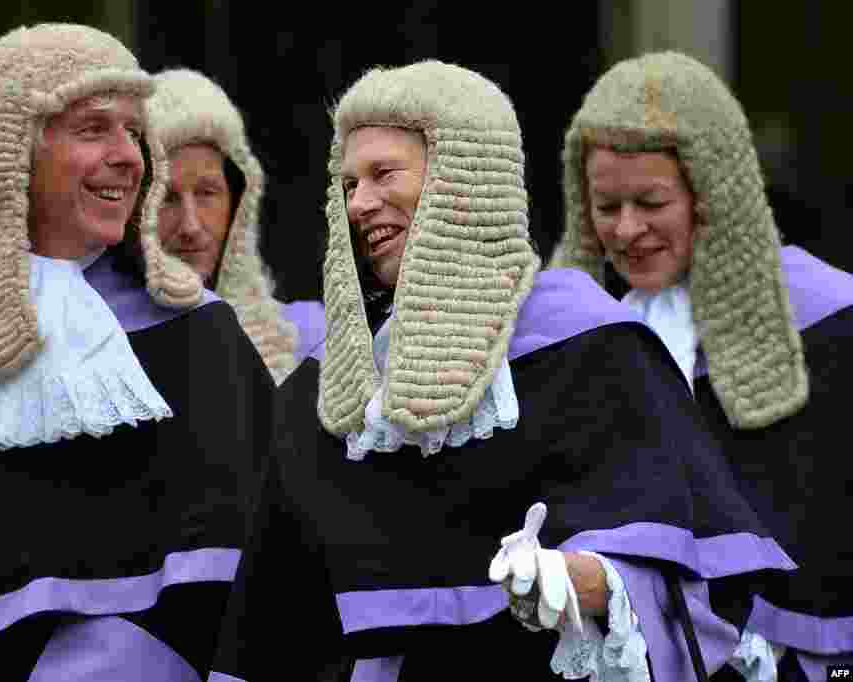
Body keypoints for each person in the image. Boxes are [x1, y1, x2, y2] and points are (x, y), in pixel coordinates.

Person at [208, 60, 795, 682]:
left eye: (383, 174)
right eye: (349, 183)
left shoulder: (594, 346)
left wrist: (580, 582)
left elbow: (683, 559)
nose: (360, 202)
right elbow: (270, 621)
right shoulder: (329, 389)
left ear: (463, 177)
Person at [0, 24, 273, 681]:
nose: (129, 155)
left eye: (135, 131)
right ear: (11, 151)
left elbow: (254, 596)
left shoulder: (202, 339)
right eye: (95, 128)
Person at [550, 51, 853, 680]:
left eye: (651, 202)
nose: (628, 230)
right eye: (606, 208)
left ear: (715, 194)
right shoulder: (590, 333)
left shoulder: (831, 320)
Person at [146, 68, 326, 383]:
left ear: (239, 198)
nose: (190, 225)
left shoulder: (307, 337)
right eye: (167, 198)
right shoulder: (107, 340)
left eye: (206, 193)